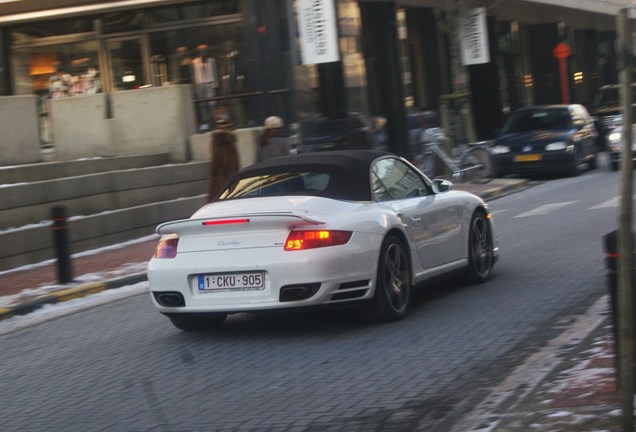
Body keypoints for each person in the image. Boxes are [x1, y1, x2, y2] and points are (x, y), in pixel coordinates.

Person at [207, 111, 239, 201]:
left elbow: (216, 165)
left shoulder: (216, 139)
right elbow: (225, 166)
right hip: (228, 182)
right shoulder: (228, 139)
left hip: (220, 182)